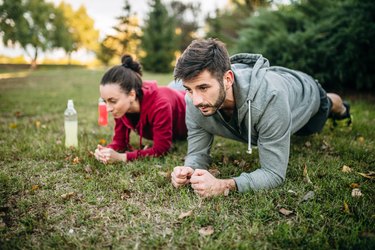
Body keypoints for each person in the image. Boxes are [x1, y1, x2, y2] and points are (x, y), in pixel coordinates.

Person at [171, 38, 351, 197]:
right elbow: (197, 153)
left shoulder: (271, 98)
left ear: (227, 79)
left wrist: (224, 185)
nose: (195, 100)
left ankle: (339, 107)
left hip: (306, 94)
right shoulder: (194, 102)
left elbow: (273, 174)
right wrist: (189, 169)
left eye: (203, 88)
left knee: (327, 106)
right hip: (274, 92)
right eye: (189, 89)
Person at [94, 55, 187, 163]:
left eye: (112, 101)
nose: (108, 108)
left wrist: (122, 157)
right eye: (105, 101)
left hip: (189, 102)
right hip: (173, 92)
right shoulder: (121, 108)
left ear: (132, 95)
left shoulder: (160, 105)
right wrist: (105, 151)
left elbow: (161, 149)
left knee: (182, 83)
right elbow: (120, 143)